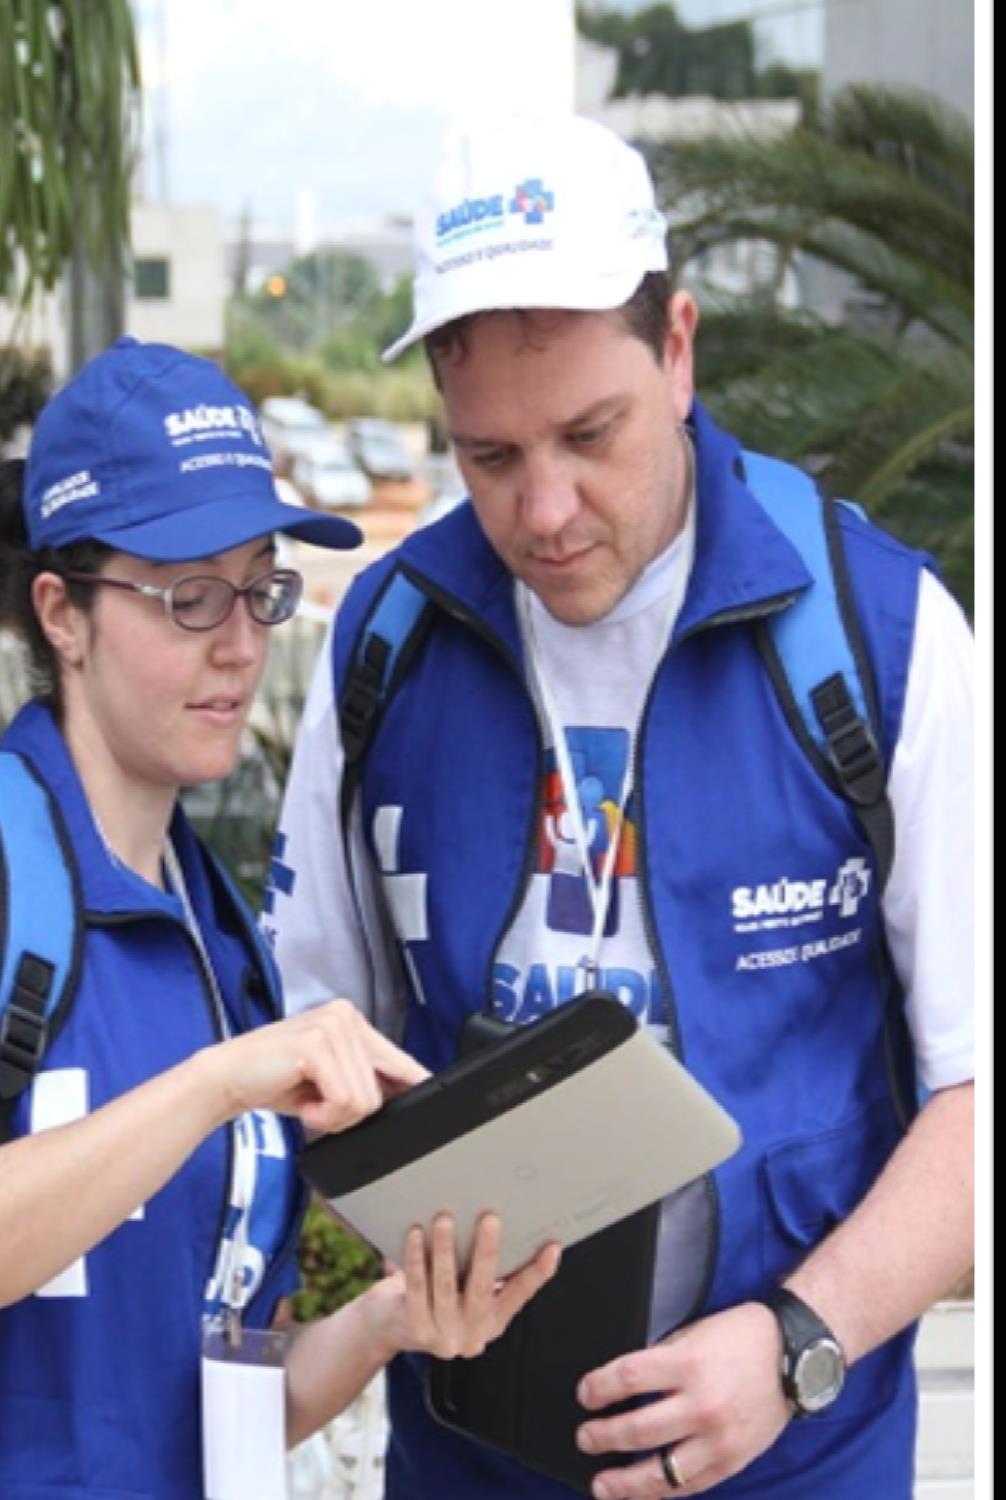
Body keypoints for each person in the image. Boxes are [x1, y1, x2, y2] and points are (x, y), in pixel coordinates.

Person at [268, 115, 975, 1500]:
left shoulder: (876, 634)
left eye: (590, 434)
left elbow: (976, 1085)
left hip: (800, 1461)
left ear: (679, 349)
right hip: (470, 1455)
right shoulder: (384, 651)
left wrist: (793, 1348)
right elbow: (305, 1058)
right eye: (486, 456)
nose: (542, 510)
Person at [0, 338, 559, 1500]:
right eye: (187, 595)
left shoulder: (221, 941)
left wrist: (389, 1321)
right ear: (62, 613)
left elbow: (226, 1401)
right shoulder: (19, 875)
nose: (242, 643)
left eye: (260, 587)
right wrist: (218, 1082)